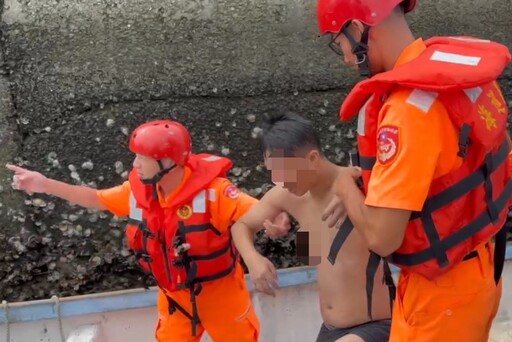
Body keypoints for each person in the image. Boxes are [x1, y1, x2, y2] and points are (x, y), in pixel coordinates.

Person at [316, 1, 512, 341]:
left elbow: (382, 237)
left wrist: (345, 184)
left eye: (339, 42)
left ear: (358, 29)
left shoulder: (407, 112)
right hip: (481, 267)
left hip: (439, 295)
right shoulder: (455, 76)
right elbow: (454, 161)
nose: (346, 57)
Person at [6, 119, 290, 342]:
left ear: (167, 162)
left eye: (142, 157)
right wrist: (44, 185)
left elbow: (258, 210)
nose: (134, 164)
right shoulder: (136, 192)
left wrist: (276, 219)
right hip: (175, 300)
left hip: (222, 297)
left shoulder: (214, 194)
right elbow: (96, 199)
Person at [231, 113, 394, 342]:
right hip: (330, 328)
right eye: (272, 171)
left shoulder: (359, 183)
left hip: (376, 326)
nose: (279, 180)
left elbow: (391, 177)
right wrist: (253, 259)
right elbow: (242, 226)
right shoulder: (290, 197)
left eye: (283, 170)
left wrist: (355, 182)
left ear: (312, 158)